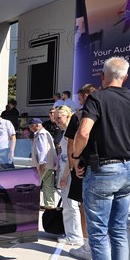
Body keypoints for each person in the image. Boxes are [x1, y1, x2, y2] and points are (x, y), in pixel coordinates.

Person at [70, 56, 130, 260]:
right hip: (128, 170)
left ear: (103, 76)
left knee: (99, 234)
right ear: (125, 77)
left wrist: (77, 157)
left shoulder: (97, 98)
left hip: (103, 171)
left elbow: (84, 132)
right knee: (119, 233)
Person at [64, 83, 98, 260]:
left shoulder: (79, 115)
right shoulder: (105, 113)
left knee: (84, 208)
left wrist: (73, 164)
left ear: (85, 96)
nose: (78, 100)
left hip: (83, 166)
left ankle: (88, 247)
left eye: (79, 97)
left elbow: (72, 142)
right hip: (103, 166)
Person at [54, 105, 83, 245]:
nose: (57, 120)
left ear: (67, 116)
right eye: (56, 117)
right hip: (66, 168)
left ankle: (74, 236)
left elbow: (70, 157)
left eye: (59, 117)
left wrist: (64, 176)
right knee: (69, 205)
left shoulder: (70, 134)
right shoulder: (66, 133)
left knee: (69, 205)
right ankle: (74, 234)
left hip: (68, 170)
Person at [29, 118, 57, 209]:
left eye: (31, 126)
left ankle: (34, 203)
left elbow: (42, 150)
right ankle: (49, 204)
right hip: (49, 164)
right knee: (48, 185)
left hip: (42, 165)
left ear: (37, 125)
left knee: (36, 185)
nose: (30, 129)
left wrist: (42, 163)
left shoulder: (41, 134)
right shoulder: (45, 133)